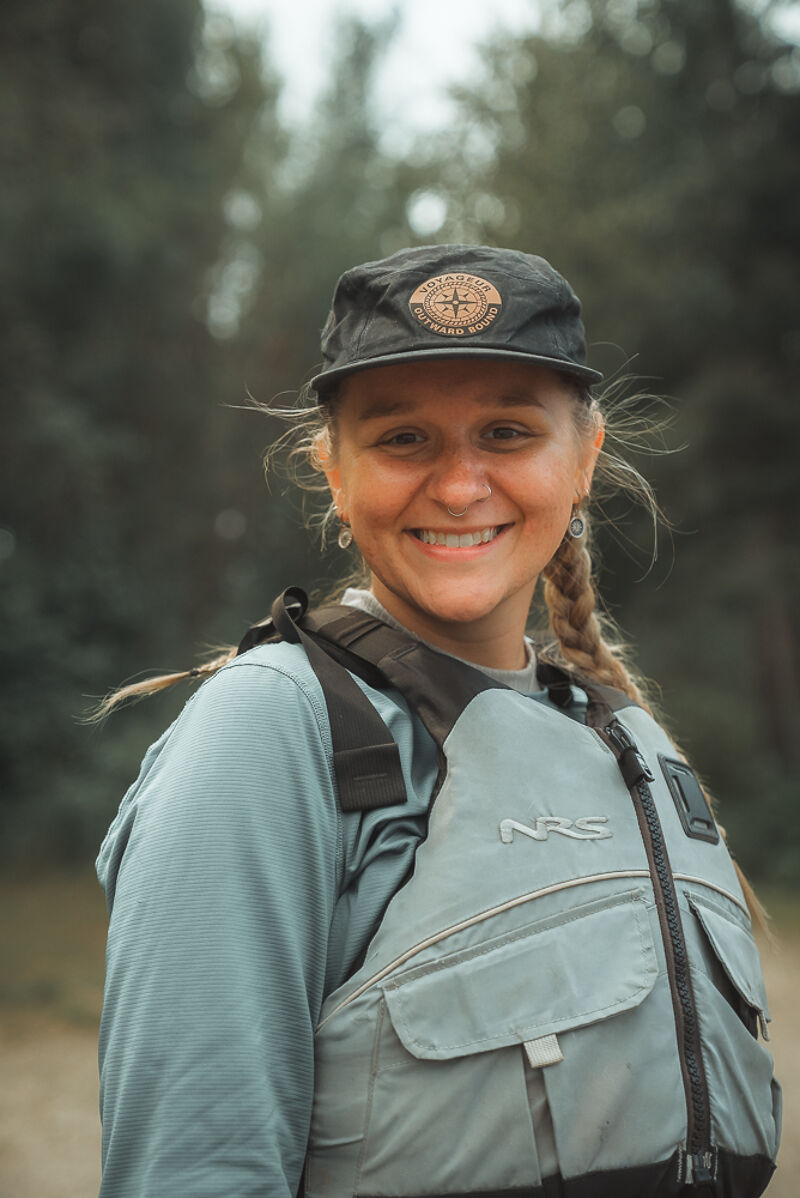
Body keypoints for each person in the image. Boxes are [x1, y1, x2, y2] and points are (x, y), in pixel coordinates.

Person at [95, 245, 780, 1198]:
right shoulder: (271, 730)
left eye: (506, 432)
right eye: (404, 438)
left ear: (583, 458)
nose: (460, 487)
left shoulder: (624, 735)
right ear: (332, 470)